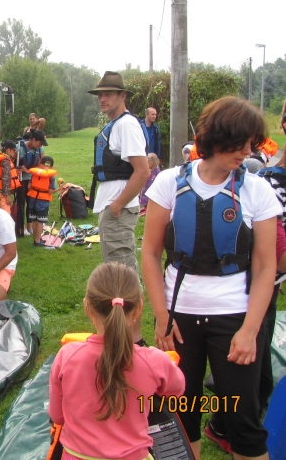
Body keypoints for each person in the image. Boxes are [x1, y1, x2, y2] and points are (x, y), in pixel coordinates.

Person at [142, 96, 279, 460]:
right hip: (179, 318)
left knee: (243, 423)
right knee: (180, 417)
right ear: (218, 137)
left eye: (252, 143)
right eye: (242, 143)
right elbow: (151, 253)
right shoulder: (169, 182)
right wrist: (161, 315)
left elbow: (265, 267)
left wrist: (250, 331)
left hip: (235, 319)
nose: (248, 152)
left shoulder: (257, 190)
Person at [49, 263, 185, 460]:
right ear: (138, 308)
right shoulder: (154, 362)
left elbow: (57, 416)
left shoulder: (67, 356)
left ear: (87, 307)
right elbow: (176, 390)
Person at [88, 71, 150, 343]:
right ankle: (124, 338)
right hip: (112, 209)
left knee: (124, 278)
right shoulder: (117, 124)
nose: (103, 98)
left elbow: (142, 171)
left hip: (118, 211)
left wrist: (117, 205)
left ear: (123, 96)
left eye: (109, 94)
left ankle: (135, 341)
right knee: (117, 277)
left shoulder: (126, 125)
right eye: (100, 94)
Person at [17, 129, 47, 236]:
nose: (40, 145)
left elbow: (40, 165)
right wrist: (18, 168)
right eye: (40, 143)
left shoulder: (39, 149)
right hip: (21, 179)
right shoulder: (20, 147)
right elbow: (13, 161)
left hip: (32, 178)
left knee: (31, 202)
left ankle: (30, 227)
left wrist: (29, 171)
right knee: (21, 203)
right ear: (33, 140)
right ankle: (21, 227)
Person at [27, 156, 58, 246]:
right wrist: (60, 188)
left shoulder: (35, 174)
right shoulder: (51, 177)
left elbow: (29, 187)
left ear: (41, 164)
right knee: (40, 221)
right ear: (51, 167)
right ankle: (37, 241)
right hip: (43, 201)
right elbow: (50, 191)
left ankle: (35, 239)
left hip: (33, 199)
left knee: (34, 220)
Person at [0, 140, 21, 214]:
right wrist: (7, 196)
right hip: (2, 194)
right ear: (8, 150)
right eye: (14, 150)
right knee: (5, 215)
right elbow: (6, 179)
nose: (15, 153)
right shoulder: (6, 161)